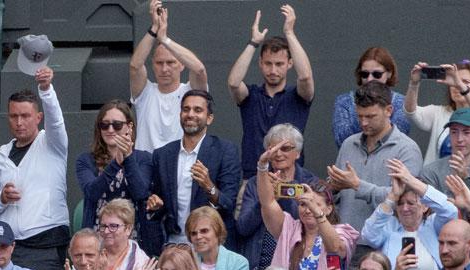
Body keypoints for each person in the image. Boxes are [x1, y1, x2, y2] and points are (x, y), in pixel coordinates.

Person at [0, 68, 71, 270]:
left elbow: (56, 121)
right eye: (14, 116)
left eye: (25, 116)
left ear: (38, 117)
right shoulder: (2, 153)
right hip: (10, 247)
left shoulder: (53, 143)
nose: (19, 122)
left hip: (47, 245)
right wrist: (1, 198)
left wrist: (46, 89)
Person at [227, 5, 315, 172]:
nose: (273, 70)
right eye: (268, 63)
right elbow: (233, 83)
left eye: (279, 64)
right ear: (260, 63)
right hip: (252, 178)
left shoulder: (298, 96)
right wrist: (253, 43)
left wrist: (289, 32)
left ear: (290, 64)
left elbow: (305, 76)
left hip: (290, 179)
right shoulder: (250, 95)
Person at [327, 83, 423, 229]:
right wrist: (333, 188)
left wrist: (357, 184)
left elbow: (402, 200)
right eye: (360, 116)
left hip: (385, 244)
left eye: (371, 116)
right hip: (345, 241)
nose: (364, 122)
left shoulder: (407, 149)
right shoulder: (348, 144)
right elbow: (337, 197)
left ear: (389, 110)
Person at [234, 125, 322, 270]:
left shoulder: (310, 183)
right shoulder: (256, 183)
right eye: (273, 149)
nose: (278, 154)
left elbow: (308, 226)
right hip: (260, 269)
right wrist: (267, 198)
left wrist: (286, 191)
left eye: (285, 148)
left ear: (298, 153)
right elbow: (243, 227)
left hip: (296, 269)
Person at [79, 100, 158, 254]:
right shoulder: (86, 160)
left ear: (129, 127)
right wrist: (116, 164)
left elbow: (141, 193)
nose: (110, 129)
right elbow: (92, 193)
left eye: (117, 125)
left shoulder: (143, 159)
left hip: (134, 239)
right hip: (98, 240)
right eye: (105, 125)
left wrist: (128, 157)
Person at [129, 2, 209, 152]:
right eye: (159, 63)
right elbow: (135, 65)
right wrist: (154, 29)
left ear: (182, 64)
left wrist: (165, 39)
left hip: (181, 167)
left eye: (171, 62)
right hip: (146, 168)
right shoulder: (145, 92)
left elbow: (199, 69)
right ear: (153, 64)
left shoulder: (190, 92)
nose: (164, 69)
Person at [362, 166, 457, 270]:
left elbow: (450, 211)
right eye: (400, 203)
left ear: (425, 206)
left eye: (411, 203)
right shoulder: (390, 229)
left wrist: (411, 181)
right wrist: (392, 197)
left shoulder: (434, 226)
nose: (404, 208)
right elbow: (368, 235)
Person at [335, 48, 416, 148]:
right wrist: (363, 106)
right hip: (352, 159)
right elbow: (342, 141)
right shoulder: (344, 101)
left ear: (389, 73)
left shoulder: (401, 102)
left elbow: (396, 138)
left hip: (390, 160)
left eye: (377, 74)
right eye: (364, 74)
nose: (370, 79)